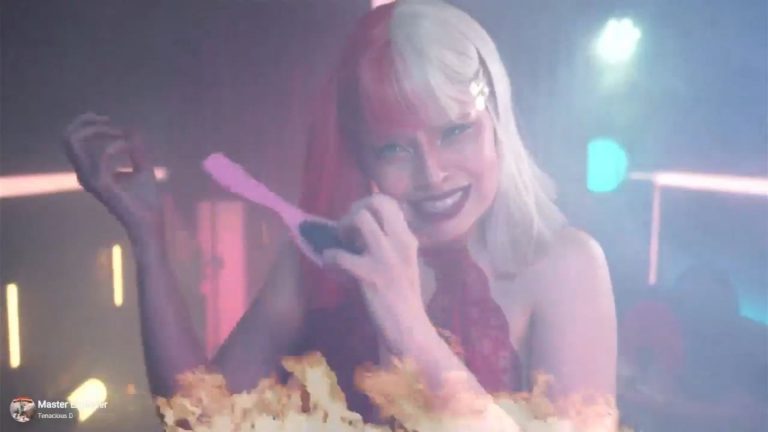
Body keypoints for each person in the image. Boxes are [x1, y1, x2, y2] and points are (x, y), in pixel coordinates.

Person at [62, 0, 616, 427]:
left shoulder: (564, 266)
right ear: (362, 155)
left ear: (497, 120)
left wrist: (409, 326)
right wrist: (149, 242)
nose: (432, 173)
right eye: (394, 148)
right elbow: (199, 422)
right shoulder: (324, 255)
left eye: (455, 131)